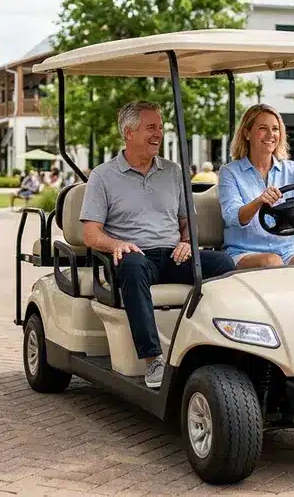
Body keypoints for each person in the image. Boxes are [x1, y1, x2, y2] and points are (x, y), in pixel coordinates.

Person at [80, 101, 237, 389]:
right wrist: (118, 244)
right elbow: (91, 234)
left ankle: (219, 349)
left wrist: (188, 242)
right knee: (133, 265)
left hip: (173, 255)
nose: (158, 134)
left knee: (224, 265)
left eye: (160, 128)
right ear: (128, 132)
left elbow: (186, 221)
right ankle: (153, 359)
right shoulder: (103, 176)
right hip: (134, 257)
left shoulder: (173, 172)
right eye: (151, 127)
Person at [218, 104, 294, 269]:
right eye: (263, 128)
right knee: (271, 262)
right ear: (247, 133)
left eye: (275, 129)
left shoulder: (293, 169)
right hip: (245, 252)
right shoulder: (230, 172)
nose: (271, 135)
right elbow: (233, 217)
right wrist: (259, 202)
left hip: (288, 252)